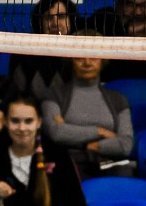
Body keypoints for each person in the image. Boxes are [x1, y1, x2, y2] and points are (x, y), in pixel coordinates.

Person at [39, 36, 134, 175]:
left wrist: (89, 145)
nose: (87, 63)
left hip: (111, 167)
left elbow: (125, 145)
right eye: (79, 57)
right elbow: (57, 132)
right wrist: (101, 132)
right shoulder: (54, 95)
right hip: (68, 167)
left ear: (103, 60)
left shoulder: (118, 99)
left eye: (94, 57)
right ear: (70, 59)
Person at [6, 0, 78, 105]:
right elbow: (17, 97)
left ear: (71, 19)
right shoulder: (23, 56)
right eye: (48, 18)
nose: (55, 23)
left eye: (61, 16)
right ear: (40, 23)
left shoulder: (84, 53)